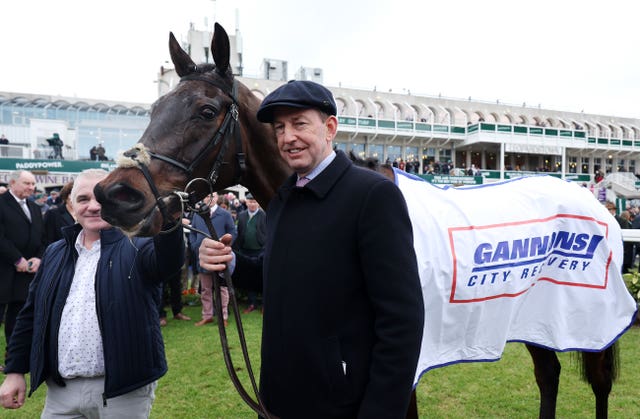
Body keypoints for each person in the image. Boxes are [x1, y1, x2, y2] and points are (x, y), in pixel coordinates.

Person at [198, 80, 424, 418]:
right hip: (278, 400)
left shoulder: (373, 196)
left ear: (330, 127)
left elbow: (402, 320)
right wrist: (230, 264)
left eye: (299, 123)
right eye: (280, 128)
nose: (288, 137)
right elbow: (278, 275)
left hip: (340, 405)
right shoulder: (285, 197)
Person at [0, 169, 184, 417]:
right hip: (61, 392)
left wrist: (169, 220)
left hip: (123, 392)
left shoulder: (139, 244)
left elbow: (169, 261)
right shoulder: (55, 252)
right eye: (84, 199)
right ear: (72, 208)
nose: (94, 207)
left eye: (102, 197)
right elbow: (31, 315)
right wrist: (14, 371)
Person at [0, 170, 45, 363]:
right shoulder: (1, 204)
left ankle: (13, 356)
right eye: (27, 183)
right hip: (3, 270)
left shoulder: (34, 208)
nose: (31, 187)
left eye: (33, 184)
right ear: (12, 183)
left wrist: (38, 258)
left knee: (17, 316)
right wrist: (17, 259)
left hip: (26, 273)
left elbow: (42, 238)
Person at [189, 192, 236, 327]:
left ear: (217, 197)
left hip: (220, 259)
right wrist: (195, 246)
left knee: (222, 289)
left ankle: (224, 316)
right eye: (207, 196)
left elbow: (233, 232)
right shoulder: (197, 214)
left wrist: (225, 247)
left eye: (212, 195)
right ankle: (207, 315)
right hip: (203, 259)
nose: (209, 198)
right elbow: (192, 232)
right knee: (205, 289)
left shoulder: (225, 214)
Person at [233, 192, 266, 314]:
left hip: (260, 250)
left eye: (255, 201)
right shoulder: (241, 215)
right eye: (250, 201)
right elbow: (239, 232)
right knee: (250, 277)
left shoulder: (264, 215)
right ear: (246, 202)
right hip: (245, 251)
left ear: (258, 203)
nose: (252, 204)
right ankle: (252, 304)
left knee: (263, 278)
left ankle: (264, 304)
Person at [43, 181, 75, 245]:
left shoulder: (86, 214)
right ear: (66, 196)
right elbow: (46, 240)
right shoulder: (52, 214)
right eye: (73, 194)